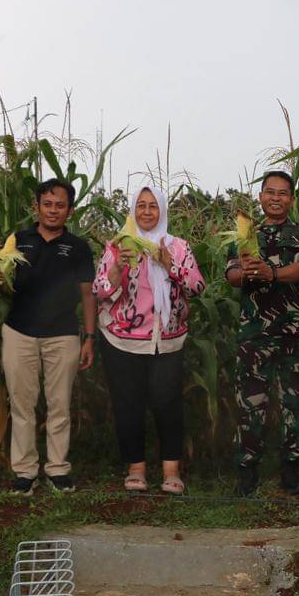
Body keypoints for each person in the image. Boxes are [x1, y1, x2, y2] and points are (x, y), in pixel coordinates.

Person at [0, 178, 96, 496]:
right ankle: (25, 472)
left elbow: (88, 294)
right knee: (22, 404)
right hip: (19, 331)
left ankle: (58, 469)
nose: (53, 210)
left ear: (70, 210)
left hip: (62, 335)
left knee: (59, 404)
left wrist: (90, 337)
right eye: (47, 204)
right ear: (37, 207)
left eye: (60, 205)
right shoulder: (18, 240)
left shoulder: (78, 248)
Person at [93, 185, 204, 494]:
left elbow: (198, 287)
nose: (146, 211)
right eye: (140, 205)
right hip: (122, 340)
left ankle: (171, 471)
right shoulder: (118, 246)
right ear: (133, 210)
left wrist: (170, 265)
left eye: (153, 205)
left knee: (168, 404)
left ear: (162, 210)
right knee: (128, 405)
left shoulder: (178, 247)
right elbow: (99, 291)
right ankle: (136, 469)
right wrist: (118, 268)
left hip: (167, 340)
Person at [225, 170, 299, 497]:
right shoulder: (245, 234)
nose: (276, 198)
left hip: (295, 334)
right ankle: (247, 472)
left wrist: (272, 273)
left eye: (282, 193)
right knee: (251, 404)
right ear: (261, 196)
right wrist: (247, 272)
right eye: (270, 192)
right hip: (255, 334)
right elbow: (231, 275)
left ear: (291, 199)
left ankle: (291, 473)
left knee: (297, 405)